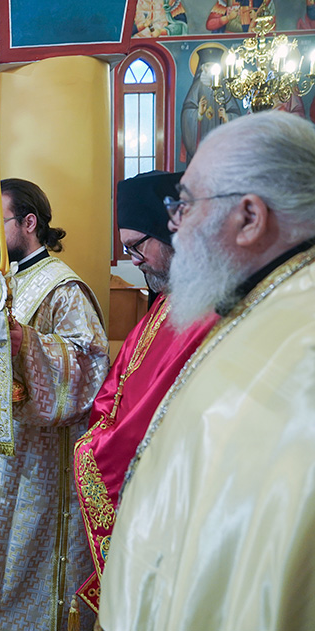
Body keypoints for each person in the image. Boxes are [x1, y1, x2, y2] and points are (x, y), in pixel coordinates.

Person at [100, 110, 315, 630]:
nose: (174, 224)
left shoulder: (298, 343)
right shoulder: (259, 304)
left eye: (185, 206)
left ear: (250, 217)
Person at [0, 179, 109, 631]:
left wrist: (27, 344)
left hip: (34, 458)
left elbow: (90, 363)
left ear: (29, 222)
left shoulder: (63, 286)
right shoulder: (7, 279)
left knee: (17, 547)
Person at [72, 171, 217, 614]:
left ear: (171, 230)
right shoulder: (173, 299)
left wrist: (98, 449)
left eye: (137, 245)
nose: (132, 258)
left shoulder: (206, 307)